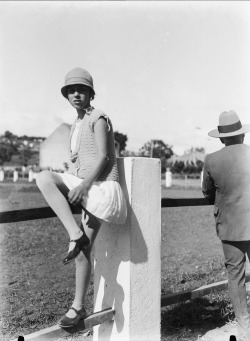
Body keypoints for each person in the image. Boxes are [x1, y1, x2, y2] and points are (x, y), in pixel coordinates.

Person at [36, 67, 127, 328]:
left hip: (101, 189)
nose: (76, 94)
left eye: (82, 90)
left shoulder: (98, 117)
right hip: (89, 187)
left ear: (91, 94)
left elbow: (104, 157)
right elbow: (79, 162)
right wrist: (74, 181)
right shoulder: (77, 123)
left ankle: (77, 307)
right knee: (45, 179)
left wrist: (82, 186)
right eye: (71, 90)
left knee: (44, 178)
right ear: (66, 96)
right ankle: (75, 240)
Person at [202, 110, 250, 341]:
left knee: (236, 276)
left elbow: (207, 192)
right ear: (242, 135)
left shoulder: (211, 160)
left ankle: (244, 330)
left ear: (221, 138)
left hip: (230, 226)